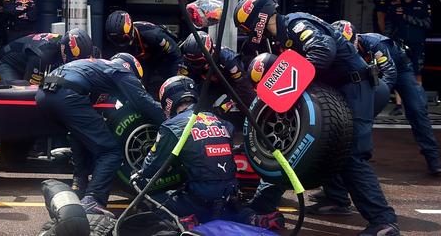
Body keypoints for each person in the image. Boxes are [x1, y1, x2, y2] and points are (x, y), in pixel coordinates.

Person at [233, 0, 400, 236]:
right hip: (336, 89)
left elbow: (323, 50)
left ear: (257, 17)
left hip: (355, 87)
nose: (246, 32)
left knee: (351, 155)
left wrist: (293, 87)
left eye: (246, 26)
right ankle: (266, 205)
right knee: (297, 149)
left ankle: (384, 222)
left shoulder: (294, 23)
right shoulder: (281, 36)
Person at [134, 76, 285, 231]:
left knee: (147, 197)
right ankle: (251, 217)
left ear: (168, 101)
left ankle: (183, 222)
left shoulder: (172, 125)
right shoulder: (221, 121)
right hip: (227, 196)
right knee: (228, 205)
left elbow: (150, 169)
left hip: (199, 200)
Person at [36, 53, 165, 216]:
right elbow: (142, 101)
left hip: (43, 94)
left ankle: (79, 188)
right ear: (130, 69)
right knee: (110, 152)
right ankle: (94, 200)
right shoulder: (121, 71)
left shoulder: (95, 66)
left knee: (81, 137)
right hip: (67, 95)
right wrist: (171, 121)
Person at [332, 21, 441, 175]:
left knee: (417, 110)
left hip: (399, 70)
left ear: (356, 38)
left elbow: (390, 74)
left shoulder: (376, 44)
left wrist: (371, 98)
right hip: (371, 75)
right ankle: (353, 162)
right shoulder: (339, 49)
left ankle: (433, 158)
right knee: (357, 115)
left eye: (350, 44)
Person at [105, 10, 182, 94]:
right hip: (142, 63)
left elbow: (175, 54)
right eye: (116, 41)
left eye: (123, 40)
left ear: (131, 32)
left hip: (164, 60)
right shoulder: (113, 40)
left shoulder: (153, 35)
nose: (120, 45)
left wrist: (175, 81)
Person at [178, 31, 256, 107]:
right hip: (210, 84)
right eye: (190, 60)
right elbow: (185, 86)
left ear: (210, 54)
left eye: (198, 61)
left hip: (233, 84)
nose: (193, 64)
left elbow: (243, 87)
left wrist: (227, 105)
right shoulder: (186, 61)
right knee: (200, 105)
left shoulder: (228, 59)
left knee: (246, 103)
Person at [0, 29, 93, 85]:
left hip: (29, 63)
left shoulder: (62, 46)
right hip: (6, 64)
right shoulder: (43, 55)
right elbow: (32, 89)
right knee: (18, 90)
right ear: (65, 50)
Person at [386, 0, 431, 84]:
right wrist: (386, 39)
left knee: (417, 71)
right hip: (399, 42)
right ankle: (399, 100)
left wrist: (408, 18)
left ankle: (418, 97)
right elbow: (389, 24)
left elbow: (428, 24)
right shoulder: (395, 4)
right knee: (399, 69)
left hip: (416, 43)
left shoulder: (422, 4)